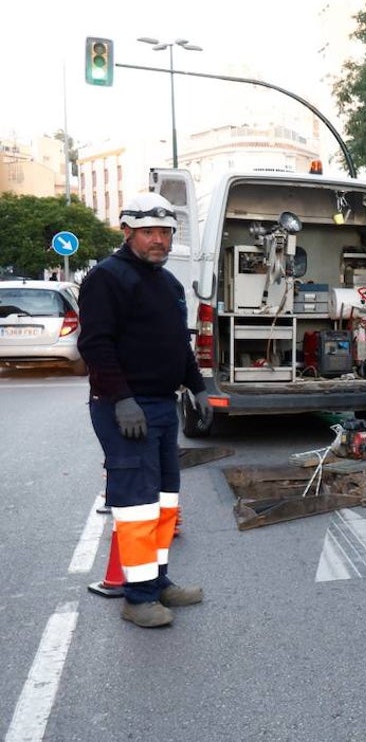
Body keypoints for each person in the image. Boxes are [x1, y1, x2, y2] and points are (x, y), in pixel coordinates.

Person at [78, 192, 211, 629]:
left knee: (163, 501)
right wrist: (122, 399)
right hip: (125, 410)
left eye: (165, 233)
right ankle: (136, 598)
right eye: (149, 232)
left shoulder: (168, 283)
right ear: (127, 232)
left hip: (160, 405)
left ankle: (156, 581)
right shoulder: (107, 278)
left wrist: (197, 387)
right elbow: (95, 344)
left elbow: (179, 345)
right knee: (136, 505)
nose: (159, 240)